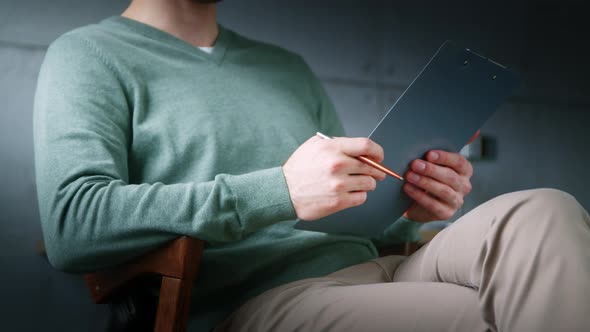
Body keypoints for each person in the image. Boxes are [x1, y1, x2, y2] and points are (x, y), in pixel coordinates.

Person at [33, 0, 590, 331]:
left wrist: (410, 205)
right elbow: (72, 225)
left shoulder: (285, 67)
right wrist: (277, 189)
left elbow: (337, 199)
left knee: (545, 210)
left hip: (373, 267)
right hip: (263, 300)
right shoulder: (89, 54)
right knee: (477, 314)